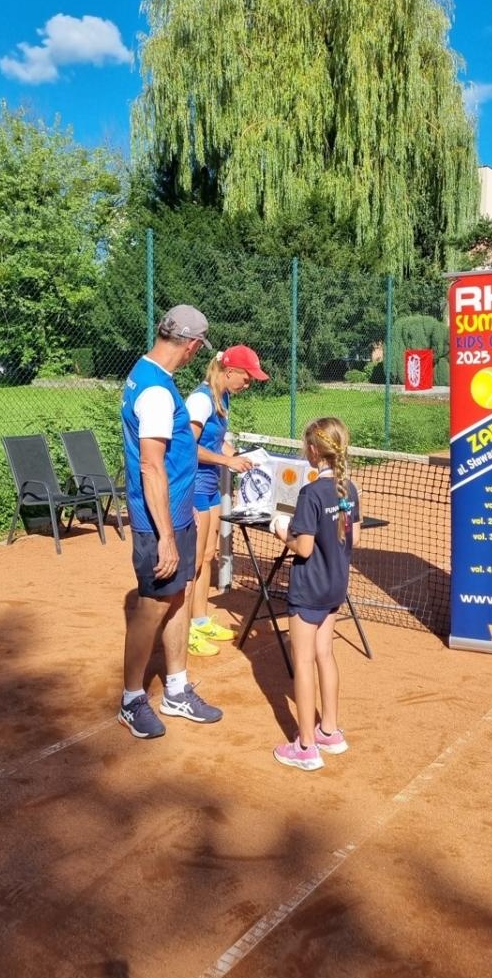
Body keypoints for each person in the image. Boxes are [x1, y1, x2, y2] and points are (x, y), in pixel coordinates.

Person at [118, 304, 223, 739]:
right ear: (192, 346)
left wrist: (180, 516)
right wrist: (165, 536)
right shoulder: (158, 392)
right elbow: (151, 466)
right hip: (157, 522)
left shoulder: (146, 374)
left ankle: (176, 689)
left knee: (177, 596)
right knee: (152, 606)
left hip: (175, 513)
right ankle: (131, 699)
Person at [271, 417, 361, 771]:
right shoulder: (349, 488)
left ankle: (306, 746)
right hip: (336, 586)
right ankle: (330, 731)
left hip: (309, 588)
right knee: (326, 654)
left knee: (304, 661)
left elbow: (304, 548)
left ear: (312, 451)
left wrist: (282, 531)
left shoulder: (310, 494)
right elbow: (356, 537)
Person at [185, 346, 270, 656]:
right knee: (193, 560)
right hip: (192, 485)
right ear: (229, 371)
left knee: (208, 555)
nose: (247, 385)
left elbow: (218, 442)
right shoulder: (199, 400)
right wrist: (226, 461)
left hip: (209, 485)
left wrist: (242, 457)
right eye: (246, 379)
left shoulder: (223, 398)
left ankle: (200, 620)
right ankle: (182, 631)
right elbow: (187, 447)